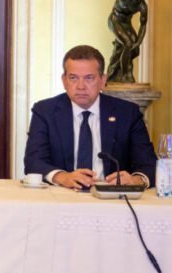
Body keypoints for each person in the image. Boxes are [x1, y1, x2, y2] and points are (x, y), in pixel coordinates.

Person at [24, 45, 156, 189]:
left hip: (112, 196)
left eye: (89, 78)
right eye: (73, 78)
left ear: (102, 80)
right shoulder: (45, 111)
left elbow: (149, 165)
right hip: (63, 193)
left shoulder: (127, 113)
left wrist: (135, 180)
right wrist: (62, 177)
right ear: (64, 80)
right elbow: (33, 162)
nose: (81, 86)